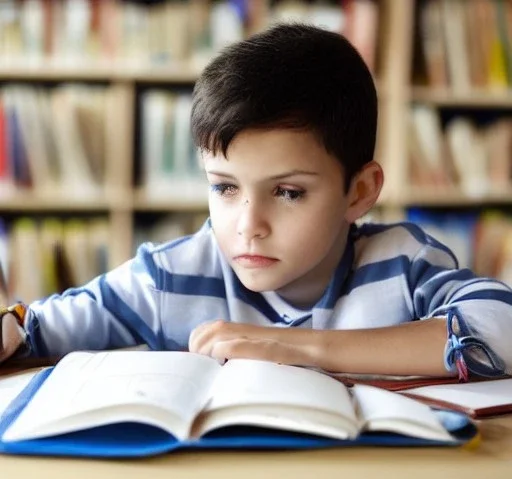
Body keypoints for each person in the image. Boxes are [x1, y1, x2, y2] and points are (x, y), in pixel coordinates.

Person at [1, 23, 511, 380]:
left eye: (288, 192)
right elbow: (38, 328)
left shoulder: (401, 265)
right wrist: (14, 327)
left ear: (358, 192)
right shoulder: (172, 277)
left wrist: (299, 349)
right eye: (225, 187)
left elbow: (500, 326)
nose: (249, 224)